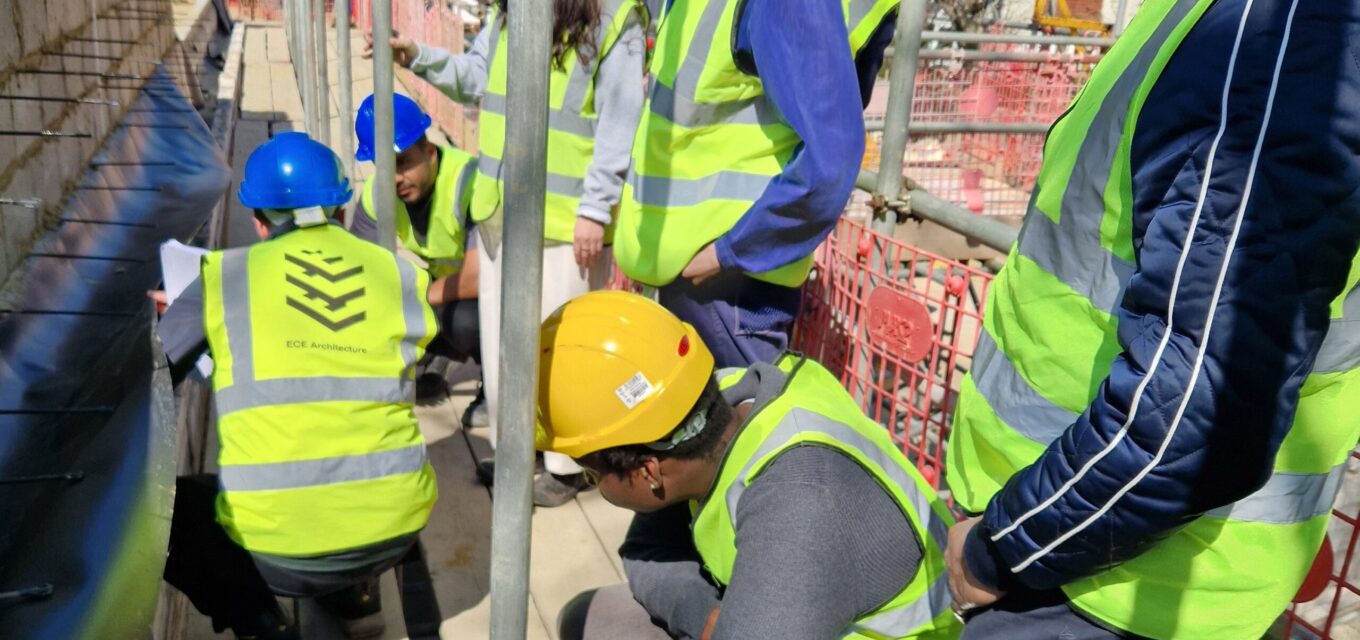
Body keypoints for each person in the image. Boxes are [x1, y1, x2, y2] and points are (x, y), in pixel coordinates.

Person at [943, 1, 1360, 638]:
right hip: (1088, 556)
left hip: (1100, 585)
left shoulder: (1281, 34)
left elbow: (1198, 413)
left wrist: (1002, 549)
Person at [539, 291, 960, 639]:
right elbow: (647, 552)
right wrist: (704, 617)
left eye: (594, 475)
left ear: (648, 471)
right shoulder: (701, 410)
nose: (596, 487)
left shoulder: (799, 503)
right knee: (591, 618)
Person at [156, 133, 442, 639]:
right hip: (395, 529)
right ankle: (358, 599)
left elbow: (154, 378)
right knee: (349, 446)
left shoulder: (224, 279)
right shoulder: (397, 276)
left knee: (171, 514)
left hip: (278, 554)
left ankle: (264, 626)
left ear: (258, 221)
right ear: (338, 207)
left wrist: (191, 316)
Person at [366, 0, 649, 506]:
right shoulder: (508, 14)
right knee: (505, 350)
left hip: (565, 223)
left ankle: (565, 467)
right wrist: (419, 56)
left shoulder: (615, 19)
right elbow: (478, 76)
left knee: (562, 353)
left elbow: (619, 122)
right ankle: (520, 451)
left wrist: (596, 208)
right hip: (503, 213)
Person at [611, 0, 898, 369]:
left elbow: (832, 159)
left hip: (728, 290)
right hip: (705, 281)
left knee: (735, 425)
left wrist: (728, 251)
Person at [351, 92, 485, 419]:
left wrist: (408, 298)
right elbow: (358, 269)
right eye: (385, 167)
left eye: (404, 164)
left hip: (503, 295)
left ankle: (497, 389)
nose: (395, 179)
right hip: (445, 286)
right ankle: (433, 356)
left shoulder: (469, 181)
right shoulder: (377, 194)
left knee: (464, 322)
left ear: (429, 152)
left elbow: (476, 279)